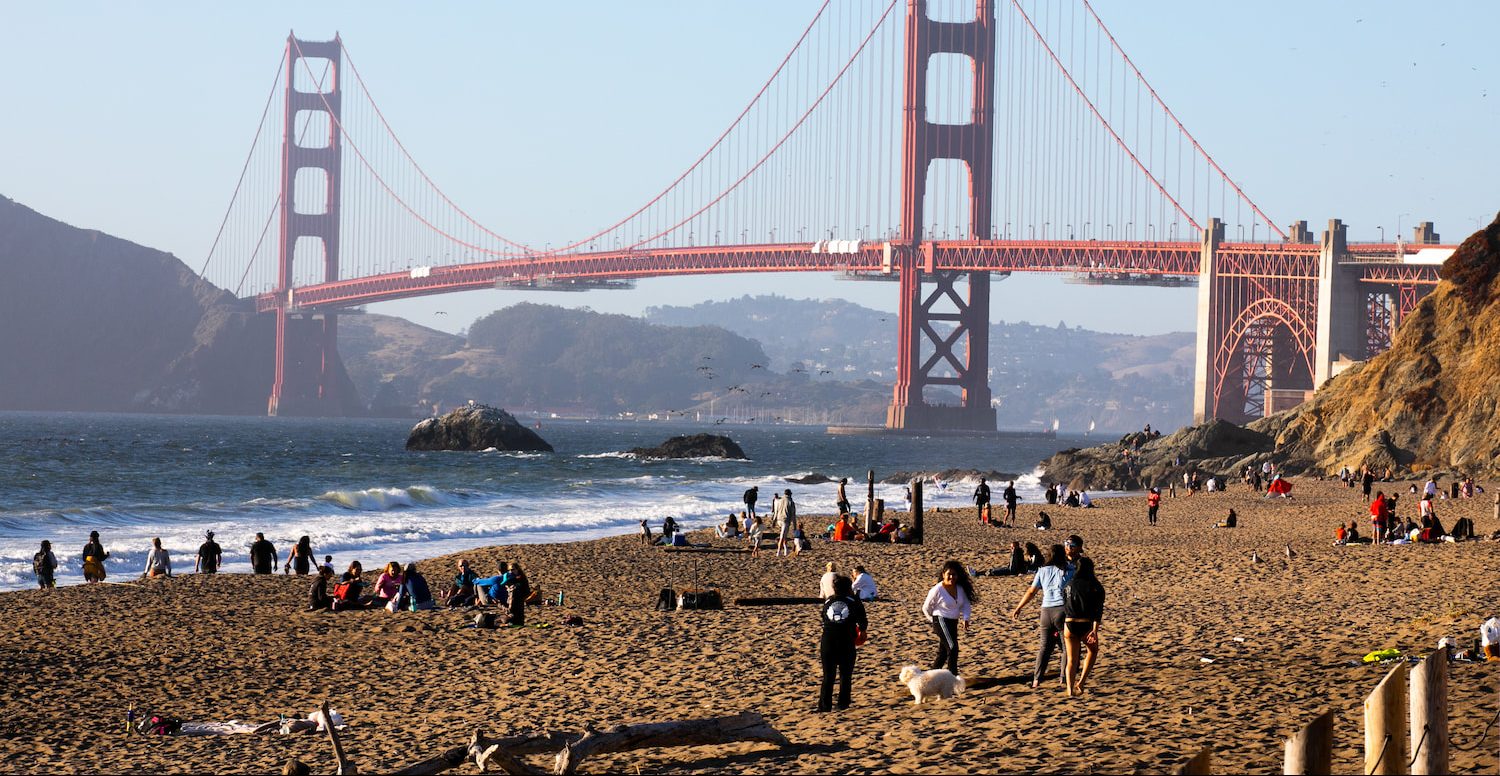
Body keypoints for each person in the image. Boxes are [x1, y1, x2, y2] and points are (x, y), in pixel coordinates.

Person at [1012, 543, 1073, 689]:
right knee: (1066, 648)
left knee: (1044, 648)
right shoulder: (1068, 570)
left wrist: (1019, 607)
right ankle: (1063, 679)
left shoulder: (1042, 571)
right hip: (1061, 610)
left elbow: (1031, 592)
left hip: (1045, 611)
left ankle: (1036, 680)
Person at [816, 574, 868, 713]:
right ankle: (843, 704)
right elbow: (862, 621)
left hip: (827, 640)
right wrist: (862, 632)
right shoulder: (854, 601)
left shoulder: (828, 601)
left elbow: (824, 618)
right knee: (845, 674)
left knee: (828, 675)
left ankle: (824, 705)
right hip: (846, 640)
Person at [921, 560, 976, 675]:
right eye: (949, 574)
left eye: (954, 574)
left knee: (943, 653)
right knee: (952, 648)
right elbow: (926, 608)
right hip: (940, 620)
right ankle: (953, 677)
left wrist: (966, 618)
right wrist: (934, 620)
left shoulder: (960, 589)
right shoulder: (937, 590)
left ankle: (929, 678)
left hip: (953, 622)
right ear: (943, 575)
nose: (951, 577)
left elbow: (965, 604)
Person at [1061, 555, 1105, 696]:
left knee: (1071, 660)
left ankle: (1069, 689)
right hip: (1085, 624)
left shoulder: (1068, 585)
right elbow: (1098, 611)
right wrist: (1095, 631)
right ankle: (1081, 683)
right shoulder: (1095, 586)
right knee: (1092, 651)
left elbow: (1065, 605)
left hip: (1069, 624)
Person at [777, 491, 798, 557]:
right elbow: (793, 515)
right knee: (782, 537)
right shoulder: (790, 502)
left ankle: (786, 550)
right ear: (790, 494)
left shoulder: (779, 500)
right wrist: (794, 525)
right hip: (785, 520)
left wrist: (774, 520)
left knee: (784, 535)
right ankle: (779, 551)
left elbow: (776, 510)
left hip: (779, 519)